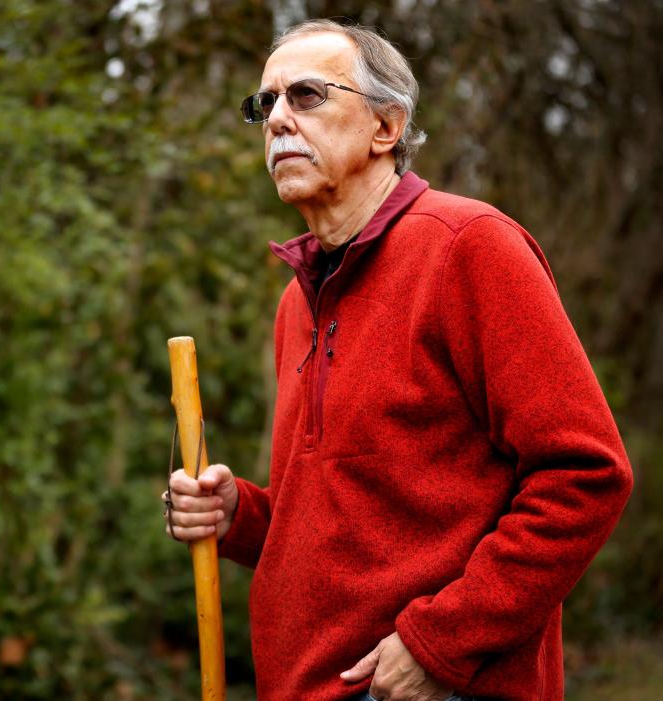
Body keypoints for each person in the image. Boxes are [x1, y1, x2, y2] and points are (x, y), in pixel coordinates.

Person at [161, 19, 633, 701]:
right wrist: (240, 516)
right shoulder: (298, 303)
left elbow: (585, 474)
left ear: (387, 127)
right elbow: (350, 526)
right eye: (265, 104)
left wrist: (441, 641)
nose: (278, 120)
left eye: (308, 96)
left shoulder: (471, 247)